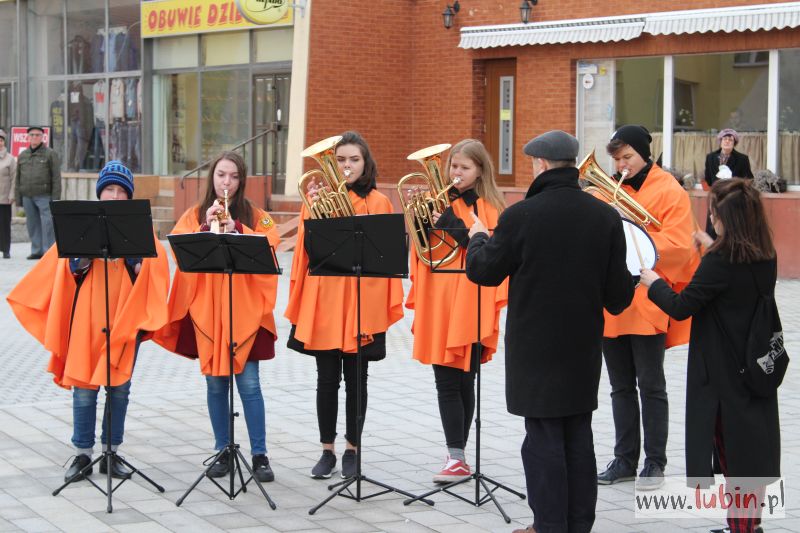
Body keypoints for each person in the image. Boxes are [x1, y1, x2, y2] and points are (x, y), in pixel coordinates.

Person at [465, 130, 634, 533]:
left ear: (540, 164)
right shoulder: (605, 216)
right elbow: (618, 298)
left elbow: (484, 271)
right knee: (578, 434)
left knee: (542, 439)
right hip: (582, 348)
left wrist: (475, 240)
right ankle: (578, 524)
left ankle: (548, 524)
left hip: (535, 350)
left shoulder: (521, 215)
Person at [7, 161, 169, 481]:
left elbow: (154, 272)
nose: (115, 195)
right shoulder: (80, 223)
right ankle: (82, 454)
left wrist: (137, 263)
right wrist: (83, 258)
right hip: (87, 317)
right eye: (110, 189)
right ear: (100, 192)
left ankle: (112, 452)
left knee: (119, 388)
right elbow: (64, 268)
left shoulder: (140, 226)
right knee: (84, 387)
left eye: (122, 191)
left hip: (125, 317)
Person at [641, 178, 778, 533]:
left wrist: (652, 281)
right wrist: (711, 246)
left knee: (733, 455)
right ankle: (749, 524)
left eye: (714, 214)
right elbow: (730, 282)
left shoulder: (720, 262)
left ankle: (742, 529)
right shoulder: (764, 253)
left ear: (725, 220)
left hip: (722, 372)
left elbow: (681, 306)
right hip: (754, 363)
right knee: (752, 451)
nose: (710, 219)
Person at [154, 151, 280, 483]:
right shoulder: (196, 212)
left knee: (249, 384)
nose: (226, 182)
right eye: (221, 175)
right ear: (212, 177)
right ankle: (223, 450)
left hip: (244, 313)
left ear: (242, 180)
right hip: (209, 313)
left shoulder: (255, 214)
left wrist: (237, 228)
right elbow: (179, 250)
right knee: (215, 383)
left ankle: (260, 455)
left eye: (234, 176)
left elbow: (271, 243)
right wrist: (203, 226)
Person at [285, 131, 404, 480]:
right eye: (340, 160)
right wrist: (313, 209)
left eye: (354, 159)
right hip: (326, 299)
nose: (347, 166)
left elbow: (385, 254)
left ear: (365, 163)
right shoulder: (317, 199)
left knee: (357, 379)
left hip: (361, 301)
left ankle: (353, 449)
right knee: (325, 380)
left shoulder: (379, 202)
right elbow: (306, 252)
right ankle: (327, 450)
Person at [597, 125, 700, 490]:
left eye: (627, 157)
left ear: (644, 153)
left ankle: (655, 462)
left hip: (647, 296)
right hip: (613, 298)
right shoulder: (608, 189)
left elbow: (678, 244)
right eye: (617, 159)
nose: (621, 165)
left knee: (651, 384)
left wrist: (634, 231)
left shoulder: (669, 188)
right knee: (619, 386)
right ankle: (624, 459)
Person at [405, 139, 508, 483]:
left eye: (464, 167)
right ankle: (456, 456)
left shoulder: (491, 206)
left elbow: (491, 255)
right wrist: (419, 219)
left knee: (466, 380)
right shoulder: (438, 203)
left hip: (471, 300)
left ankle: (458, 455)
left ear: (480, 170)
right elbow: (423, 252)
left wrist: (453, 223)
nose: (456, 173)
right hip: (439, 300)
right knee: (446, 380)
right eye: (453, 166)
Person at [15, 126, 61, 260]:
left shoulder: (50, 154)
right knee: (32, 223)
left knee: (48, 224)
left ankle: (49, 252)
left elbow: (56, 177)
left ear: (42, 137)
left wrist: (55, 197)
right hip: (27, 195)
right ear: (28, 137)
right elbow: (18, 178)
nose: (35, 137)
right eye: (32, 135)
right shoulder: (23, 155)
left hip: (44, 195)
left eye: (38, 135)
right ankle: (36, 250)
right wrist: (18, 197)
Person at [704, 128, 753, 238]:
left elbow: (749, 179)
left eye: (730, 140)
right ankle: (712, 253)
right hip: (716, 198)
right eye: (724, 139)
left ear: (734, 143)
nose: (727, 141)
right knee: (713, 231)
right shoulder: (711, 158)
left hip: (732, 199)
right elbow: (708, 178)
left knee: (731, 232)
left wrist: (735, 186)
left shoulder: (742, 159)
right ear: (720, 141)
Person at [0, 129, 16, 258]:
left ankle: (6, 249)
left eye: (1, 140)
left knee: (4, 225)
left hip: (4, 198)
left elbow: (14, 178)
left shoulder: (10, 159)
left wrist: (12, 195)